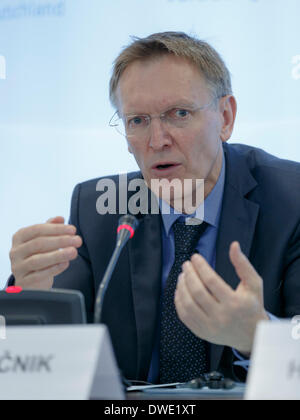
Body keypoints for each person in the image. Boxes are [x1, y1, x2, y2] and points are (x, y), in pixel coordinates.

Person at [8, 32, 300, 384]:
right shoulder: (97, 210)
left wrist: (259, 336)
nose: (157, 140)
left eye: (179, 114)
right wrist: (29, 294)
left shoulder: (290, 198)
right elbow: (51, 363)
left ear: (225, 117)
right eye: (138, 120)